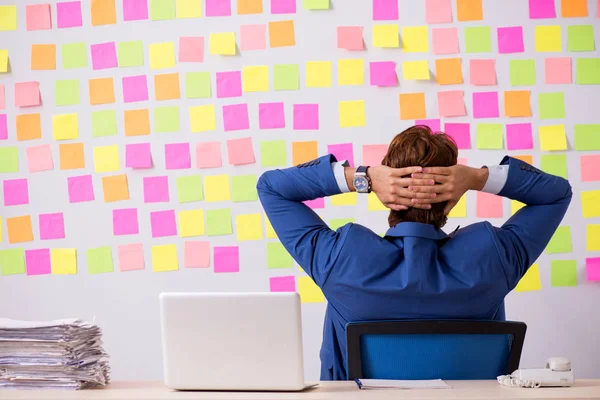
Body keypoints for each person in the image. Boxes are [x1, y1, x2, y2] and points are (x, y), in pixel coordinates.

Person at [256, 125, 572, 381]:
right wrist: (477, 177)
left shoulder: (341, 259)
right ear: (452, 196)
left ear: (385, 193)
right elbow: (556, 194)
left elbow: (271, 188)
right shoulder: (493, 257)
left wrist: (362, 177)